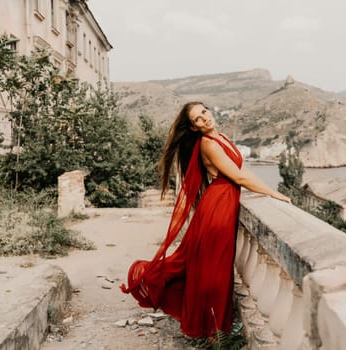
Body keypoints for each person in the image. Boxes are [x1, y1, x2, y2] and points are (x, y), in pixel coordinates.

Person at [120, 101, 290, 340]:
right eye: (197, 119)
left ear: (210, 111)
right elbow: (239, 176)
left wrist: (267, 188)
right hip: (217, 210)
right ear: (193, 127)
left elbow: (242, 172)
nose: (204, 119)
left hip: (222, 205)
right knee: (214, 273)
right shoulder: (208, 144)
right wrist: (273, 193)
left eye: (204, 112)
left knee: (214, 270)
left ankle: (215, 329)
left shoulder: (221, 137)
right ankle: (213, 331)